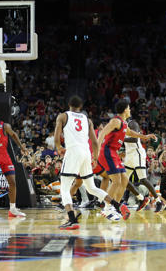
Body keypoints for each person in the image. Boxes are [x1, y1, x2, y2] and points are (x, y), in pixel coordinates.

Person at [54, 96, 132, 229]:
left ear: (69, 105)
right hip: (86, 153)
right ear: (81, 107)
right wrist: (95, 158)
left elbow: (57, 135)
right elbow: (95, 142)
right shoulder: (87, 120)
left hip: (73, 151)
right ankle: (118, 205)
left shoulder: (63, 116)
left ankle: (72, 219)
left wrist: (59, 147)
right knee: (91, 188)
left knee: (65, 188)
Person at [95, 100, 156, 217]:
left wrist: (144, 136)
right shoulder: (115, 121)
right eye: (128, 108)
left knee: (124, 180)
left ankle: (115, 206)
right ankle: (106, 208)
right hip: (107, 151)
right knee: (116, 181)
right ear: (124, 110)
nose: (130, 110)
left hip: (114, 153)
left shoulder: (123, 123)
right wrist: (96, 151)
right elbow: (102, 133)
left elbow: (131, 132)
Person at [124, 119, 164, 212]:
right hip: (129, 154)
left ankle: (158, 201)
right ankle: (141, 199)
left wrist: (120, 139)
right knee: (124, 180)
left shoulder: (132, 123)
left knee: (143, 179)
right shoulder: (121, 126)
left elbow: (134, 139)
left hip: (137, 153)